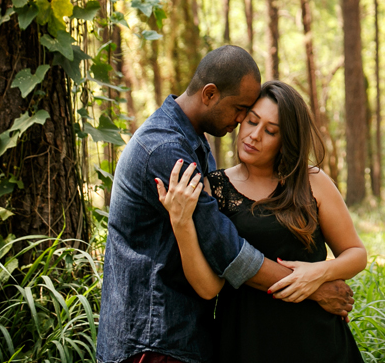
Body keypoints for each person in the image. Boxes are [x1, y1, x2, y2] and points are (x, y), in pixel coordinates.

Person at [97, 46, 354, 363]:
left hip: (181, 335)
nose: (242, 121)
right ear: (209, 94)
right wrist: (313, 288)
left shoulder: (195, 143)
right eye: (242, 111)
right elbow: (226, 249)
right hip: (154, 338)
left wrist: (321, 273)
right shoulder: (166, 150)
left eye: (269, 129)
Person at [157, 80, 367, 363]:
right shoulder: (213, 188)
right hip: (246, 341)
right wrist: (181, 223)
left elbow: (356, 253)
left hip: (317, 341)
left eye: (270, 131)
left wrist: (318, 273)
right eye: (252, 121)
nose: (254, 136)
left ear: (286, 141)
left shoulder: (311, 181)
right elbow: (208, 287)